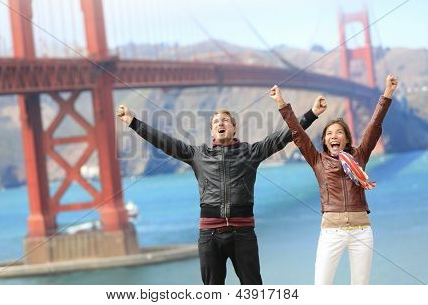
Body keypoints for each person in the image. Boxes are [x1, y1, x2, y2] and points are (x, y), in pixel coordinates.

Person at [116, 95, 327, 285]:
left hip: (243, 233)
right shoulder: (197, 155)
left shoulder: (251, 152)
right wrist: (133, 122)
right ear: (212, 132)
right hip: (209, 236)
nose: (220, 123)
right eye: (216, 121)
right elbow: (163, 141)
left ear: (234, 128)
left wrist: (312, 114)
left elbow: (284, 136)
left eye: (225, 120)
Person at [271, 74, 398, 284]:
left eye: (339, 133)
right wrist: (281, 103)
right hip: (332, 232)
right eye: (329, 134)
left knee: (360, 288)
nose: (334, 136)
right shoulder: (318, 160)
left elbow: (374, 127)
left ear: (347, 139)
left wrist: (387, 94)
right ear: (325, 141)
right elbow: (297, 132)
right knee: (322, 286)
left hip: (361, 231)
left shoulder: (359, 155)